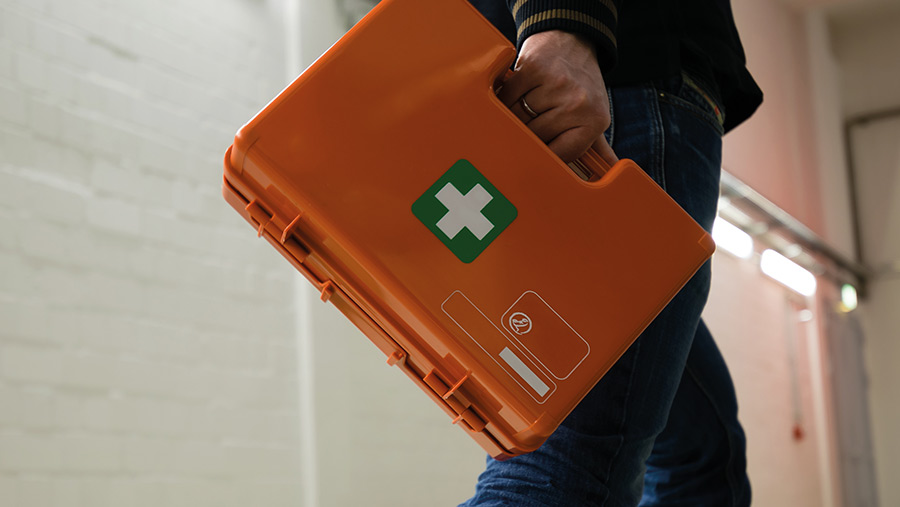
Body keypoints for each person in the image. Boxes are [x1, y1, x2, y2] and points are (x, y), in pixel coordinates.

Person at [460, 1, 763, 506]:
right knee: (569, 465)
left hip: (541, 81)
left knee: (701, 455)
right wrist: (563, 23)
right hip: (612, 79)